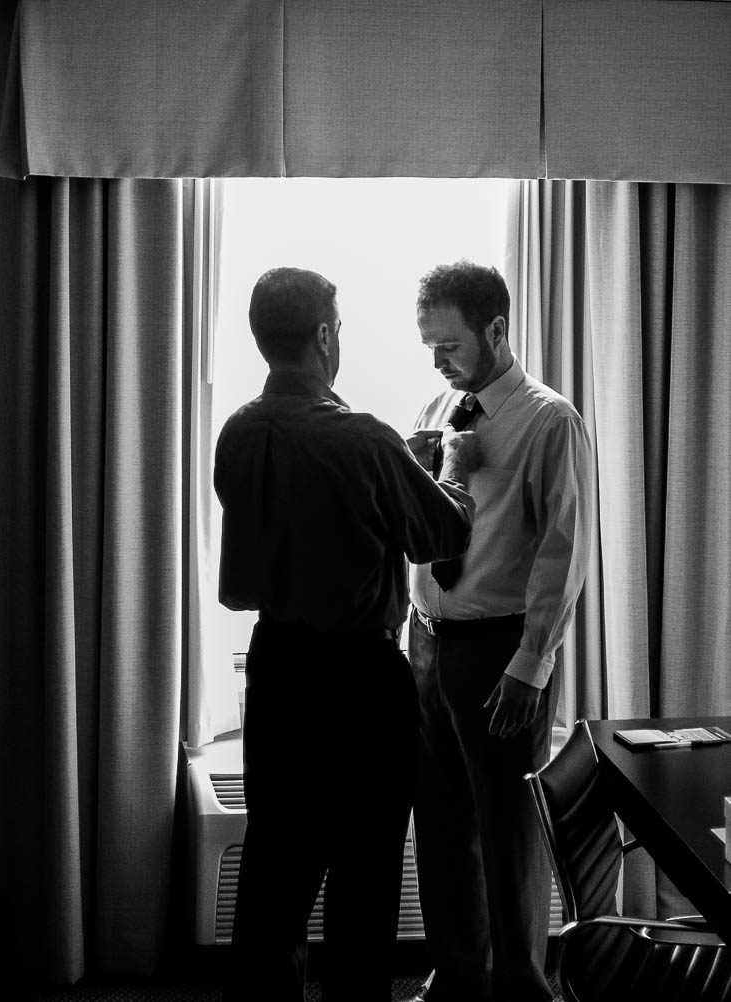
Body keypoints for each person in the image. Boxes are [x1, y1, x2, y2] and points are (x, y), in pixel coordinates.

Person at [214, 268, 478, 1002]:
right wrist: (443, 465)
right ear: (327, 335)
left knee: (275, 872)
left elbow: (237, 588)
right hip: (362, 682)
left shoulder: (239, 432)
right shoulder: (364, 440)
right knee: (364, 880)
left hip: (278, 674)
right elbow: (442, 531)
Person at [404, 262, 595, 1002]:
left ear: (496, 329)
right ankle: (456, 978)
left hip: (499, 649)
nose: (437, 360)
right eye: (429, 344)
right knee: (442, 825)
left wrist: (531, 663)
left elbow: (564, 550)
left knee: (507, 833)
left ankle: (519, 987)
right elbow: (426, 525)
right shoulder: (436, 404)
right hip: (429, 643)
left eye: (449, 344)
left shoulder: (551, 421)